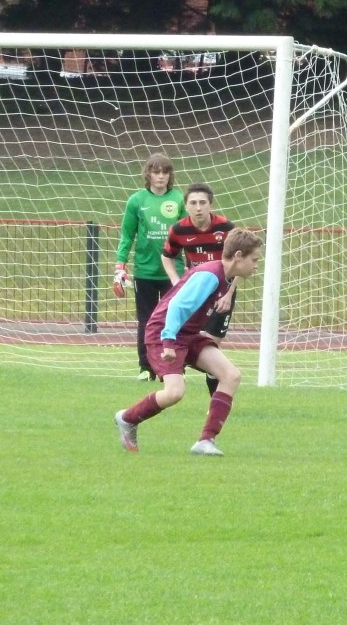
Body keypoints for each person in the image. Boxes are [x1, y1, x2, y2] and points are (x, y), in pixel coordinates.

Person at [113, 227, 264, 457]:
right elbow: (176, 306)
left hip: (189, 334)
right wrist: (169, 342)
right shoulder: (210, 276)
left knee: (231, 375)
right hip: (164, 333)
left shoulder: (225, 275)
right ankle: (127, 418)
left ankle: (206, 441)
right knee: (174, 392)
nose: (256, 265)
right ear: (238, 256)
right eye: (254, 260)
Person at [113, 153, 186, 381]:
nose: (161, 176)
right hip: (144, 271)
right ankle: (146, 368)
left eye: (165, 172)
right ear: (148, 174)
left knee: (174, 319)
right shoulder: (136, 201)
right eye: (156, 172)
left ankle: (173, 369)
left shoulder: (180, 199)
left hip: (173, 272)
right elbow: (127, 235)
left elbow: (187, 233)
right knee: (146, 320)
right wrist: (120, 266)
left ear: (170, 175)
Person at [161, 183, 237, 396]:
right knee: (184, 337)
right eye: (193, 203)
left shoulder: (226, 228)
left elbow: (238, 262)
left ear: (210, 205)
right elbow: (167, 256)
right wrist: (177, 282)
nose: (198, 207)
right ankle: (174, 379)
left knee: (212, 345)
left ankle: (214, 399)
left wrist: (229, 294)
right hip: (195, 294)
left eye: (203, 202)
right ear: (186, 206)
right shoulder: (179, 230)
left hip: (221, 293)